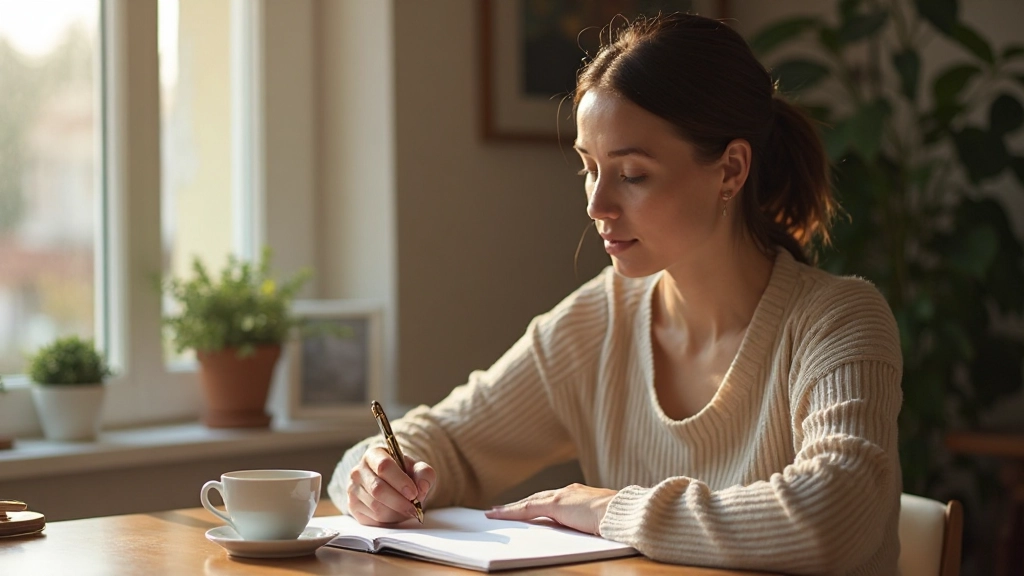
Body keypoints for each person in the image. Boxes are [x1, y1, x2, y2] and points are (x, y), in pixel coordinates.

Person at [327, 12, 902, 575]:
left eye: (631, 174)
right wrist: (376, 472)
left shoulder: (838, 321)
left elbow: (836, 517)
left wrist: (611, 510)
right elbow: (446, 440)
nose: (596, 205)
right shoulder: (598, 322)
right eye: (588, 167)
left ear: (730, 169)